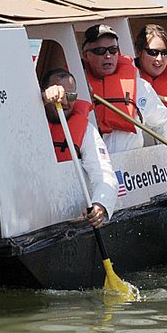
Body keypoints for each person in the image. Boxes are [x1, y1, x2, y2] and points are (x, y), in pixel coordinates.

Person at [81, 24, 167, 158]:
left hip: (130, 168)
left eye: (113, 50)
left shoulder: (139, 87)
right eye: (100, 51)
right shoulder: (76, 87)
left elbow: (164, 121)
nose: (108, 56)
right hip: (93, 166)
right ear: (86, 55)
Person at [40, 68, 117, 228]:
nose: (66, 102)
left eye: (71, 96)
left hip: (65, 219)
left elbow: (104, 173)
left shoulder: (86, 130)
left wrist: (100, 204)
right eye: (60, 96)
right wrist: (42, 98)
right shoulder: (27, 120)